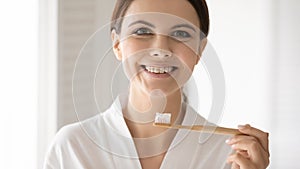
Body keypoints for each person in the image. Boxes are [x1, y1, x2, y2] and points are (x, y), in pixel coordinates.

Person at [43, 0, 270, 168]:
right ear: (117, 44)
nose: (161, 50)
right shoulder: (73, 148)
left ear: (200, 51)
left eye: (181, 33)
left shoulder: (230, 156)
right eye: (142, 31)